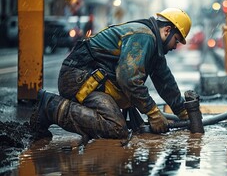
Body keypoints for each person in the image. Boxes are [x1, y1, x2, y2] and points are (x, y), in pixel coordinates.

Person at [30, 8, 192, 141]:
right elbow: (128, 79)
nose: (175, 46)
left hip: (92, 79)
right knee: (116, 128)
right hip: (77, 78)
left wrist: (183, 112)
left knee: (127, 121)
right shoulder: (144, 37)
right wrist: (153, 112)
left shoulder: (154, 45)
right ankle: (50, 106)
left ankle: (58, 108)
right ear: (167, 30)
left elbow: (165, 81)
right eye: (176, 40)